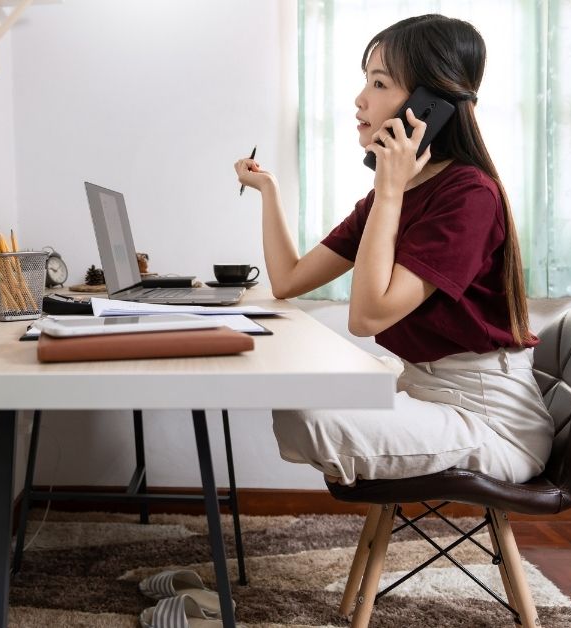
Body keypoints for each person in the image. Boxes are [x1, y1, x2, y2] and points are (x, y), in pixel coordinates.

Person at [234, 14, 553, 487]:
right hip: (422, 389)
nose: (360, 99)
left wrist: (389, 190)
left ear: (428, 106)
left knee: (307, 415)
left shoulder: (468, 195)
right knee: (296, 394)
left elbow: (367, 317)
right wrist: (269, 191)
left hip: (490, 419)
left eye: (379, 83)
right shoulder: (394, 195)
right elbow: (289, 279)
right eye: (366, 80)